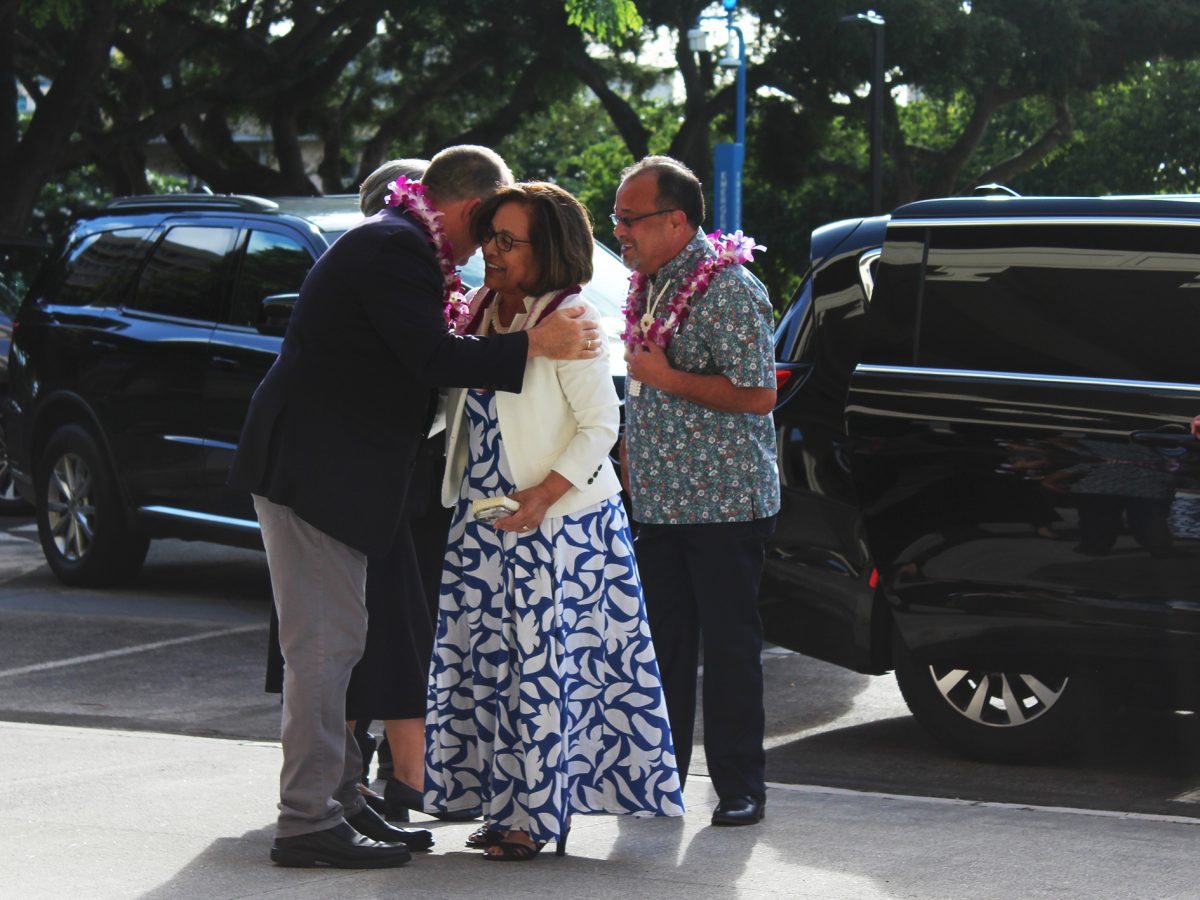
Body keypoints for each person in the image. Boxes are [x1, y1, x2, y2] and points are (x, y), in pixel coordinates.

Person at [229, 145, 602, 870]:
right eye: (490, 226)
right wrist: (535, 342)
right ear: (467, 208)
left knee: (345, 642)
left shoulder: (400, 245)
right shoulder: (393, 248)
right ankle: (306, 820)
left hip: (337, 475)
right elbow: (431, 357)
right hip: (313, 473)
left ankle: (341, 801)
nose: (489, 245)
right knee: (325, 650)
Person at [424, 181, 685, 862]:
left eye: (508, 241)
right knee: (493, 667)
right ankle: (504, 804)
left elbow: (602, 425)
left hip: (555, 525)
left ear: (549, 250)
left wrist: (541, 496)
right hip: (483, 524)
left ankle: (537, 817)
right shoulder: (483, 308)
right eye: (489, 237)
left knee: (541, 672)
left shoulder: (569, 318)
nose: (492, 251)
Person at [614, 156, 779, 827]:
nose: (618, 230)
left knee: (730, 649)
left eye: (630, 218)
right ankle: (662, 780)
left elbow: (760, 393)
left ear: (676, 220)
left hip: (723, 504)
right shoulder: (649, 284)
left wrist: (670, 379)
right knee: (663, 648)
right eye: (615, 218)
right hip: (660, 501)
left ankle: (741, 788)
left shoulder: (731, 289)